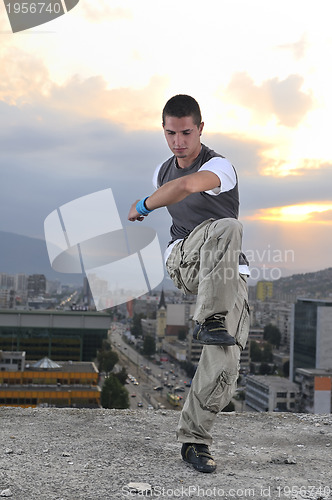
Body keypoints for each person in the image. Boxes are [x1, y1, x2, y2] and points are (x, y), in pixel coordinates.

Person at [128, 95, 250, 473]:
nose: (178, 141)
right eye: (170, 133)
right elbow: (173, 188)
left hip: (228, 272)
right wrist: (152, 199)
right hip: (185, 258)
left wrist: (143, 205)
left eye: (185, 132)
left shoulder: (220, 166)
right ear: (163, 131)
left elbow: (185, 188)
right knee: (229, 227)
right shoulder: (161, 171)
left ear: (200, 128)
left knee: (226, 359)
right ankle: (210, 318)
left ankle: (194, 441)